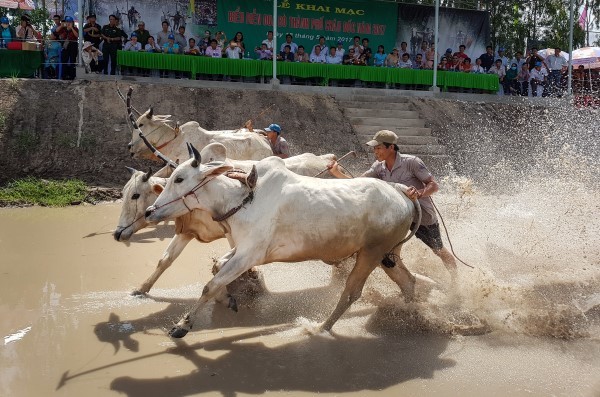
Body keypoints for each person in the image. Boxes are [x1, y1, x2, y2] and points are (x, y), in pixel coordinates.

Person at [327, 130, 457, 278]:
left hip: (421, 216)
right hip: (396, 217)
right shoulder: (378, 167)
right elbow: (358, 184)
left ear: (391, 147)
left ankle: (455, 281)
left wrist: (419, 193)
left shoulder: (412, 162)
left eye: (379, 147)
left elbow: (433, 185)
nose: (375, 151)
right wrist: (336, 172)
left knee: (438, 250)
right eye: (374, 148)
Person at [56, 16, 78, 80]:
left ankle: (72, 76)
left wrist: (71, 28)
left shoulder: (75, 28)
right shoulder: (63, 28)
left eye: (70, 22)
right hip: (65, 46)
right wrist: (62, 25)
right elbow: (56, 31)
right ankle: (64, 76)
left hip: (73, 45)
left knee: (72, 61)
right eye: (67, 22)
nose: (68, 23)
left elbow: (77, 35)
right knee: (64, 60)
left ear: (72, 22)